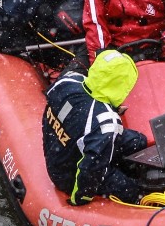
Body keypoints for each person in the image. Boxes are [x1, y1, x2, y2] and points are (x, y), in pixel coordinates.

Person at [42, 50, 147, 205]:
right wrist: (80, 198)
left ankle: (123, 163)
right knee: (131, 189)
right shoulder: (106, 122)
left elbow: (53, 115)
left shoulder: (68, 81)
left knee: (138, 141)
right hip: (68, 175)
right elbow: (91, 169)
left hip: (62, 148)